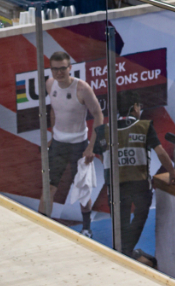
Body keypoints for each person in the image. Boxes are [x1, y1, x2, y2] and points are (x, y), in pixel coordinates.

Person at [92, 91, 175, 260]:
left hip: (116, 185)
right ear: (134, 108)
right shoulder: (144, 126)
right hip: (140, 184)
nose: (141, 109)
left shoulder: (103, 131)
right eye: (140, 106)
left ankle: (125, 251)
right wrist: (172, 172)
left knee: (121, 222)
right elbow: (161, 153)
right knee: (141, 215)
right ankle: (126, 252)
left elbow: (102, 156)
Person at [39, 51, 106, 238]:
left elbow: (99, 115)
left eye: (63, 69)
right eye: (55, 69)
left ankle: (86, 228)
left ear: (70, 68)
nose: (59, 73)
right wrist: (53, 134)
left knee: (83, 190)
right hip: (59, 145)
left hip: (79, 146)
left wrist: (91, 147)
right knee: (49, 188)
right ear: (51, 70)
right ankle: (40, 225)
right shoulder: (50, 84)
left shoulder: (82, 89)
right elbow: (54, 109)